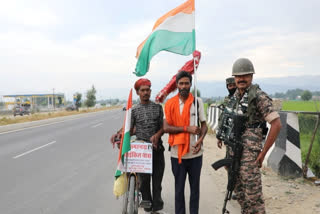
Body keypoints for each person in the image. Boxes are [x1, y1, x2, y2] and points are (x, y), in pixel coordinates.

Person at [220, 58, 282, 214]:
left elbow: (276, 124)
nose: (241, 79)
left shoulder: (259, 97)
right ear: (234, 77)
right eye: (238, 76)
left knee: (253, 196)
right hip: (233, 151)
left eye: (245, 75)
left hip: (250, 154)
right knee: (239, 191)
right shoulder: (234, 97)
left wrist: (263, 153)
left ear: (251, 76)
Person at [110, 78, 165, 214]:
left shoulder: (157, 108)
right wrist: (119, 134)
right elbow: (129, 128)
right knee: (144, 182)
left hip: (157, 149)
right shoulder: (134, 111)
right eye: (143, 90)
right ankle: (147, 204)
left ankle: (156, 208)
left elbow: (163, 128)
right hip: (142, 153)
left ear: (150, 91)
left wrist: (157, 136)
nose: (146, 92)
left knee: (157, 183)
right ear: (138, 93)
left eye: (148, 90)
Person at [163, 71, 208, 214]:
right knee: (179, 190)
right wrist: (186, 128)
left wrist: (200, 140)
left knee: (195, 190)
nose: (183, 86)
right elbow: (166, 128)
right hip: (177, 154)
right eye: (181, 83)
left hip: (195, 154)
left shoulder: (197, 102)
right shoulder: (169, 103)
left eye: (186, 83)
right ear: (176, 85)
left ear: (190, 84)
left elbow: (204, 125)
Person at [217, 76, 236, 149]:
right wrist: (220, 136)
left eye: (234, 85)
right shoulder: (227, 100)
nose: (232, 88)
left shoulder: (243, 99)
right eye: (230, 86)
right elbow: (223, 118)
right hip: (228, 135)